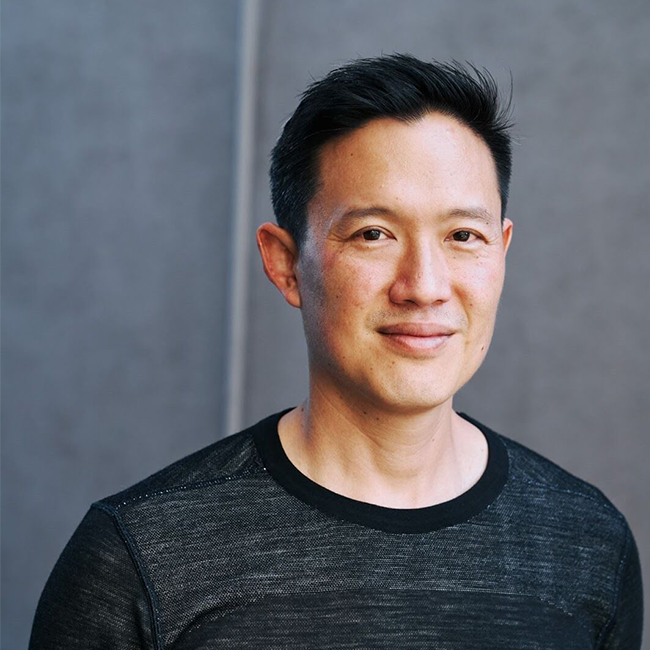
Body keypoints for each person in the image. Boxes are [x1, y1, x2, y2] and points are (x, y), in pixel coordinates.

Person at [30, 53, 643, 649]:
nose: (425, 286)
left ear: (502, 252)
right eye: (373, 234)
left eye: (463, 236)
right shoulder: (139, 558)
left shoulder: (588, 543)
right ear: (286, 264)